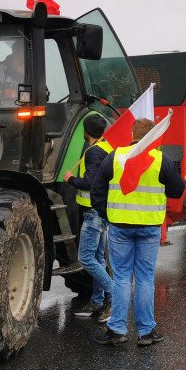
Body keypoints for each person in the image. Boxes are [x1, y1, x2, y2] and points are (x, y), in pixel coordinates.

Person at [89, 118, 184, 347]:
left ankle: (117, 330)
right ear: (152, 136)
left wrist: (108, 214)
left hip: (120, 226)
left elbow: (96, 192)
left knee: (121, 278)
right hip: (149, 228)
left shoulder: (115, 157)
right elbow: (178, 190)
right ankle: (146, 332)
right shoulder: (161, 160)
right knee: (144, 279)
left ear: (132, 133)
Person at [63, 113, 113, 319]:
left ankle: (115, 298)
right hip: (102, 210)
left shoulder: (93, 152)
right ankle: (96, 301)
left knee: (86, 258)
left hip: (93, 213)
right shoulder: (106, 147)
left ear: (86, 131)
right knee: (99, 258)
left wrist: (71, 179)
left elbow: (91, 182)